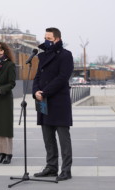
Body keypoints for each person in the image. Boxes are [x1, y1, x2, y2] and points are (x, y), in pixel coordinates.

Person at [32, 28, 74, 181]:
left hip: (59, 102)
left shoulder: (65, 55)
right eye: (44, 37)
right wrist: (36, 91)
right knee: (48, 137)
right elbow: (37, 76)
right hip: (44, 102)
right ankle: (51, 167)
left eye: (49, 37)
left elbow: (63, 77)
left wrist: (44, 92)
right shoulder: (42, 56)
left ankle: (66, 170)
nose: (46, 40)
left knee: (64, 138)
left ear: (57, 39)